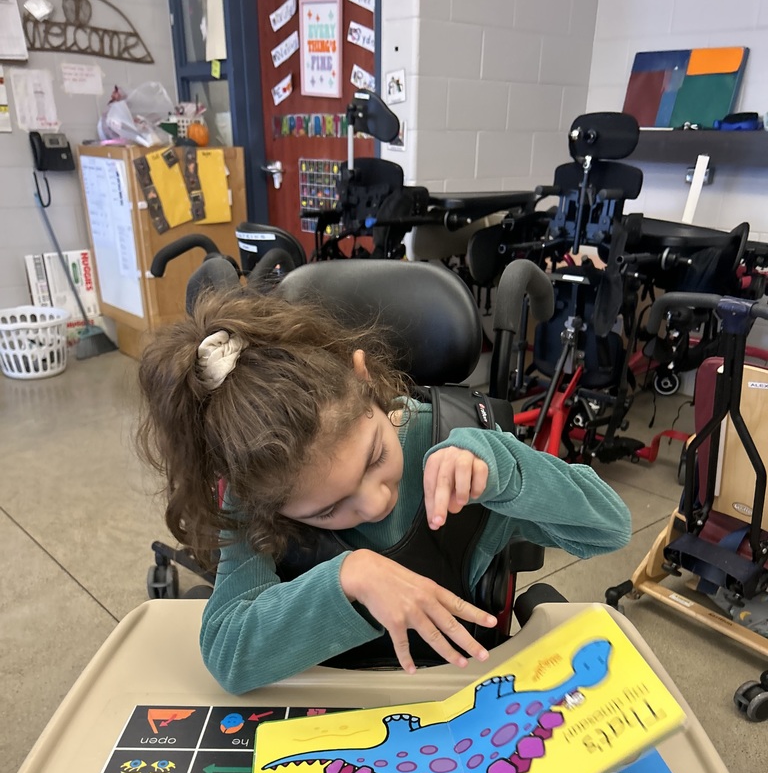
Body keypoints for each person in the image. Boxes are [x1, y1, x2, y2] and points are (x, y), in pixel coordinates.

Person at [138, 287, 631, 695]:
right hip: (326, 705)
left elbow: (609, 528)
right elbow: (229, 652)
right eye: (330, 509)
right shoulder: (257, 493)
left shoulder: (460, 455)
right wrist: (349, 576)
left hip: (463, 697)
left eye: (375, 456)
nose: (376, 501)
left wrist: (505, 468)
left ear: (365, 379)